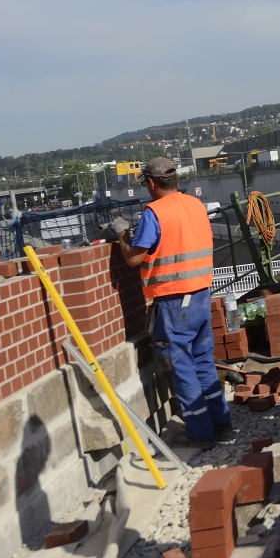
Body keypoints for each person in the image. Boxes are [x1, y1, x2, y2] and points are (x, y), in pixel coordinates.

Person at [112, 157, 228, 445]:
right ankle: (221, 421)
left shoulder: (155, 212)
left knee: (181, 367)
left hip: (175, 302)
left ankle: (200, 433)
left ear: (151, 183)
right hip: (201, 294)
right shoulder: (194, 204)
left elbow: (133, 258)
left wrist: (121, 233)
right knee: (202, 361)